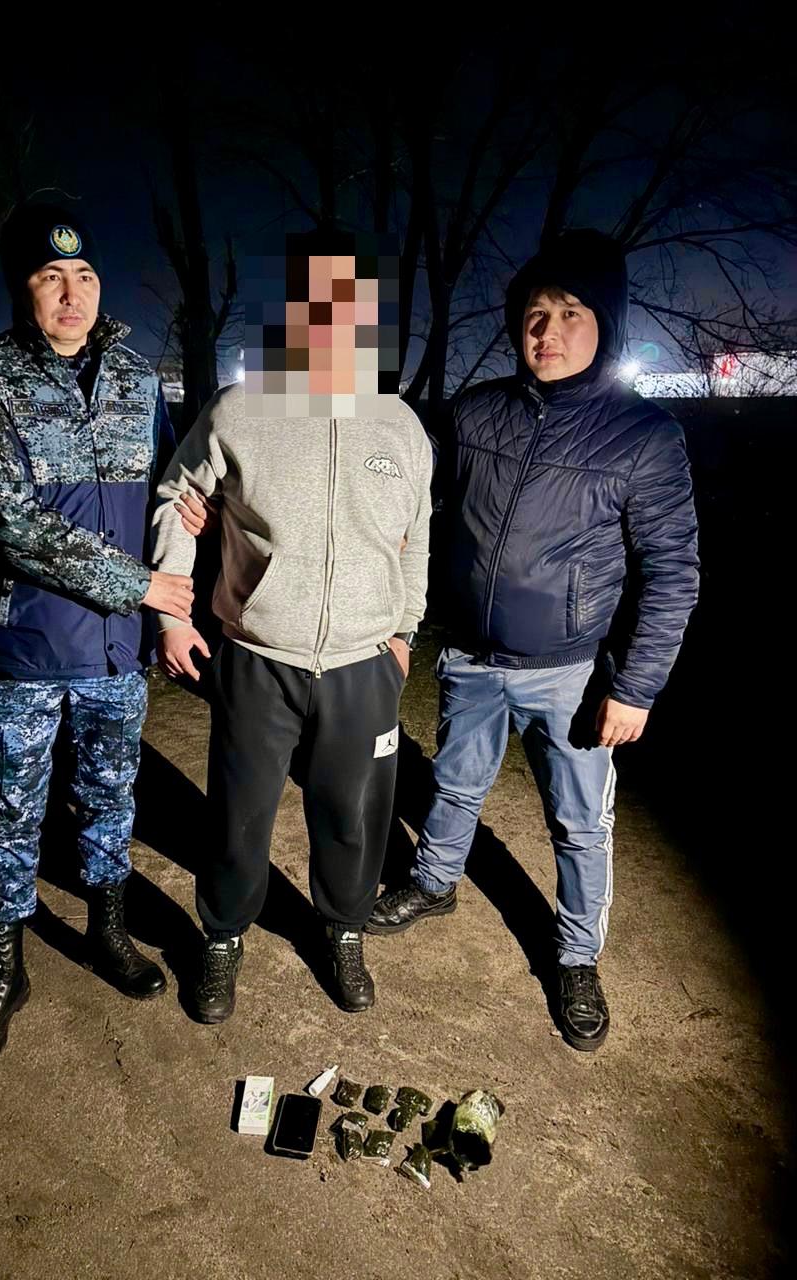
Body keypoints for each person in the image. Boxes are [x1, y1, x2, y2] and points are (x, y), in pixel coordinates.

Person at [367, 229, 699, 1052]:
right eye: (534, 313)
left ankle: (577, 955)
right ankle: (435, 881)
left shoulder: (644, 437)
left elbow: (672, 573)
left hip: (572, 674)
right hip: (473, 657)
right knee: (454, 784)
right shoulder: (477, 413)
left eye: (570, 313)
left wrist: (636, 688)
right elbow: (400, 488)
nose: (546, 331)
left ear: (606, 325)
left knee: (579, 823)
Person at [0, 202, 199, 1070]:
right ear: (22, 287)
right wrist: (141, 585)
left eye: (84, 275)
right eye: (50, 276)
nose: (71, 292)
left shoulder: (135, 378)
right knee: (10, 812)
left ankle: (107, 931)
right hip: (26, 649)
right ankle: (3, 970)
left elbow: (167, 484)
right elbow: (12, 524)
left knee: (111, 798)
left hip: (116, 654)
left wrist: (187, 512)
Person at [151, 231, 433, 1021]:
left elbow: (416, 539)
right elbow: (178, 498)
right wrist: (172, 612)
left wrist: (403, 633)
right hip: (256, 657)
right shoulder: (241, 409)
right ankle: (221, 936)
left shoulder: (400, 426)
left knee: (352, 814)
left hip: (364, 663)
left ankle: (343, 929)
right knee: (238, 814)